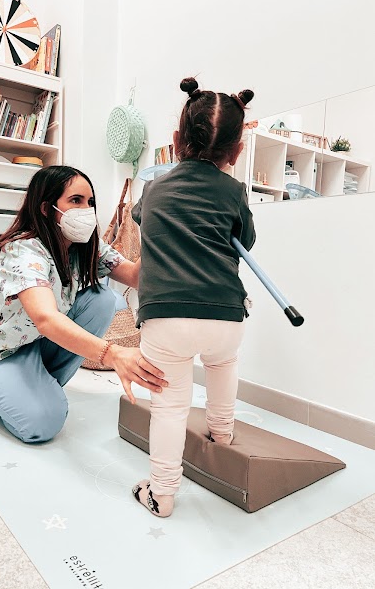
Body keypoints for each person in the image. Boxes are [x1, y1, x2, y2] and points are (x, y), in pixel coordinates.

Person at [0, 165, 167, 443]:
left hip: (36, 343)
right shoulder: (22, 250)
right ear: (47, 209)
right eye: (75, 200)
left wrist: (161, 227)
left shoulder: (83, 246)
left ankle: (35, 387)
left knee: (103, 299)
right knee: (43, 423)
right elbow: (45, 318)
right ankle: (4, 388)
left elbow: (134, 276)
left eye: (90, 202)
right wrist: (113, 354)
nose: (87, 210)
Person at [131, 78, 256, 517]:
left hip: (166, 315)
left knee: (169, 407)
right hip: (225, 313)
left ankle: (162, 494)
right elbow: (247, 240)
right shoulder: (234, 191)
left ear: (175, 140)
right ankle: (222, 433)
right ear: (236, 152)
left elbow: (141, 218)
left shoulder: (153, 188)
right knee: (223, 366)